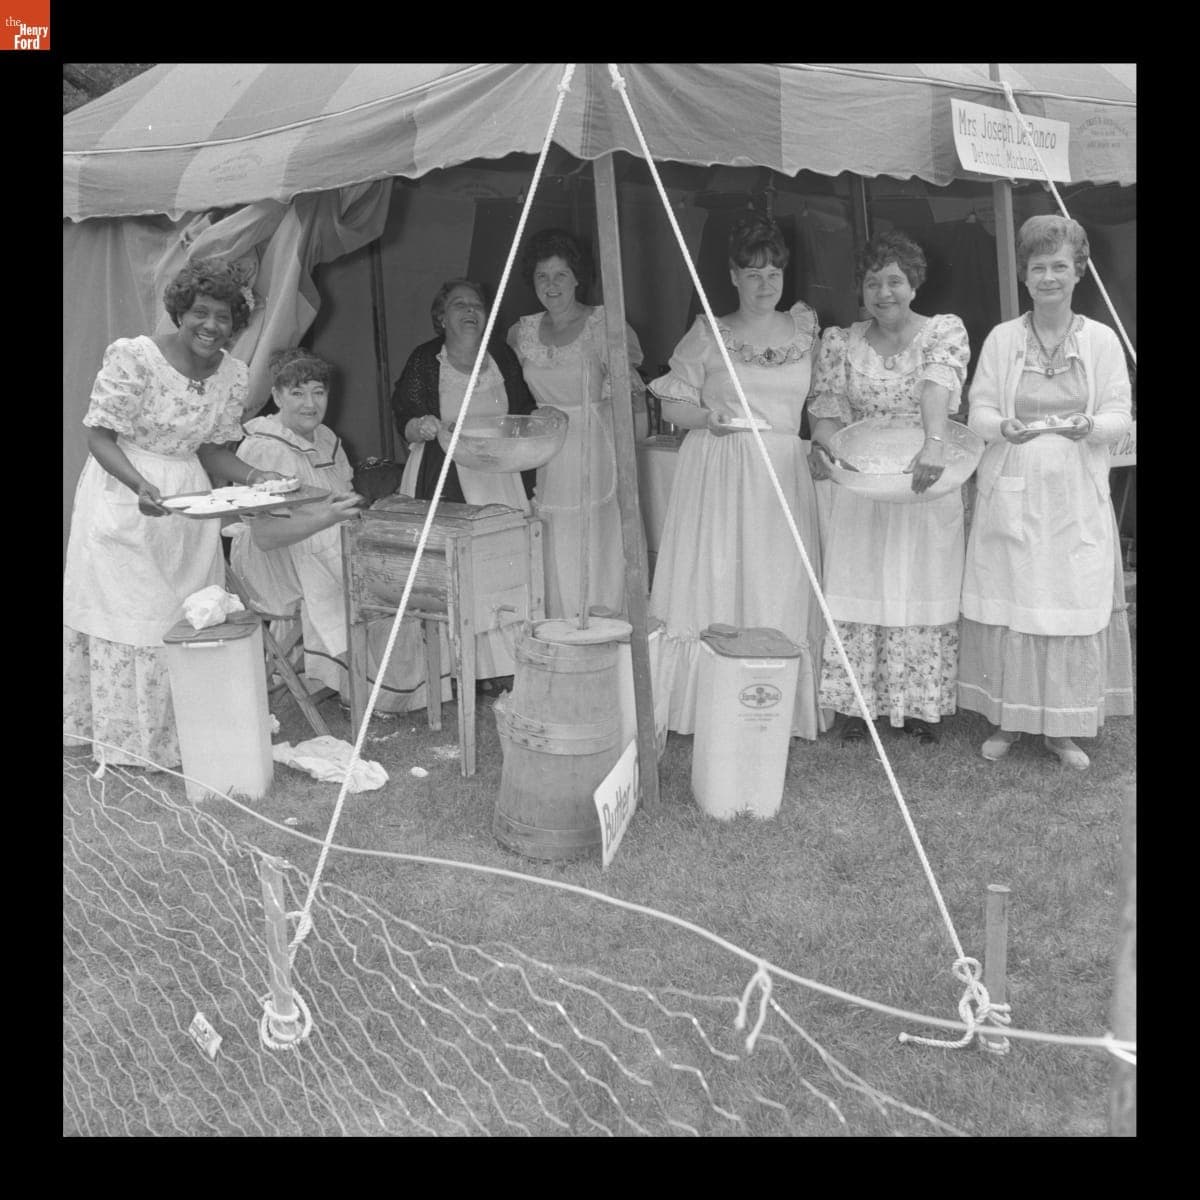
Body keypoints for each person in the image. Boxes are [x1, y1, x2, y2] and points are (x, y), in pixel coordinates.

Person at [63, 256, 281, 770]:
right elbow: (98, 435)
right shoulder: (135, 357)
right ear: (180, 313)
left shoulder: (233, 374)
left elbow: (212, 450)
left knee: (182, 611)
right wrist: (140, 483)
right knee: (133, 614)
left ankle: (183, 734)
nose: (211, 326)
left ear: (236, 323)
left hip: (188, 500)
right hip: (125, 489)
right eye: (201, 313)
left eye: (224, 317)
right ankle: (126, 742)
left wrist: (256, 477)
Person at [958, 215, 1133, 769]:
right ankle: (1010, 721)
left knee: (1066, 603)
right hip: (1014, 489)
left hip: (1076, 495)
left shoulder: (1101, 340)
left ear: (1079, 271)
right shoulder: (1004, 339)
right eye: (1039, 267)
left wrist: (1090, 427)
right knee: (1016, 600)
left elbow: (1119, 415)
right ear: (1026, 276)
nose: (1049, 277)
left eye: (1060, 265)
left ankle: (1062, 728)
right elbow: (980, 408)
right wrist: (998, 426)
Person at [648, 213, 826, 738]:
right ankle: (707, 700)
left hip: (783, 471)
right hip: (723, 468)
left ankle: (772, 704)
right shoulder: (709, 331)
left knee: (776, 578)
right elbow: (673, 405)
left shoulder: (807, 329)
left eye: (773, 273)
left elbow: (820, 402)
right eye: (752, 274)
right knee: (720, 574)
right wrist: (709, 419)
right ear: (732, 276)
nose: (764, 284)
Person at [808, 231, 970, 745]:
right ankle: (861, 705)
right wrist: (822, 444)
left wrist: (934, 443)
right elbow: (830, 406)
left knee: (919, 580)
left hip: (926, 473)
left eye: (895, 281)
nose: (884, 293)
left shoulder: (944, 332)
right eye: (873, 282)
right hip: (864, 478)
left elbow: (936, 387)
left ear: (914, 284)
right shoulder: (840, 341)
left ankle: (920, 705)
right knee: (863, 579)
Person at [231, 348, 452, 714]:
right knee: (378, 577)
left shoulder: (327, 438)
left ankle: (394, 687)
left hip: (322, 544)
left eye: (318, 392)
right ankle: (376, 689)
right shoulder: (264, 448)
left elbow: (342, 502)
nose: (309, 403)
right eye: (297, 393)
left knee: (399, 562)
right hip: (274, 562)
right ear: (276, 396)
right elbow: (266, 537)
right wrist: (329, 518)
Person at [391, 279, 536, 685]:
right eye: (459, 305)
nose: (470, 311)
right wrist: (418, 424)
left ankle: (502, 667)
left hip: (498, 478)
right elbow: (405, 408)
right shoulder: (425, 359)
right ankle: (456, 670)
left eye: (477, 305)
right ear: (441, 317)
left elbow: (523, 410)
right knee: (454, 574)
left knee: (503, 566)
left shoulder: (501, 357)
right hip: (444, 477)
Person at [507, 228, 647, 620]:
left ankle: (602, 624)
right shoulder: (521, 333)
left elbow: (632, 397)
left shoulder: (605, 324)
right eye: (542, 277)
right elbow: (515, 400)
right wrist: (534, 416)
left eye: (560, 275)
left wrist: (632, 453)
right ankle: (560, 627)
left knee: (598, 537)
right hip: (548, 450)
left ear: (578, 278)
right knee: (555, 534)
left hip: (595, 445)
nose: (551, 285)